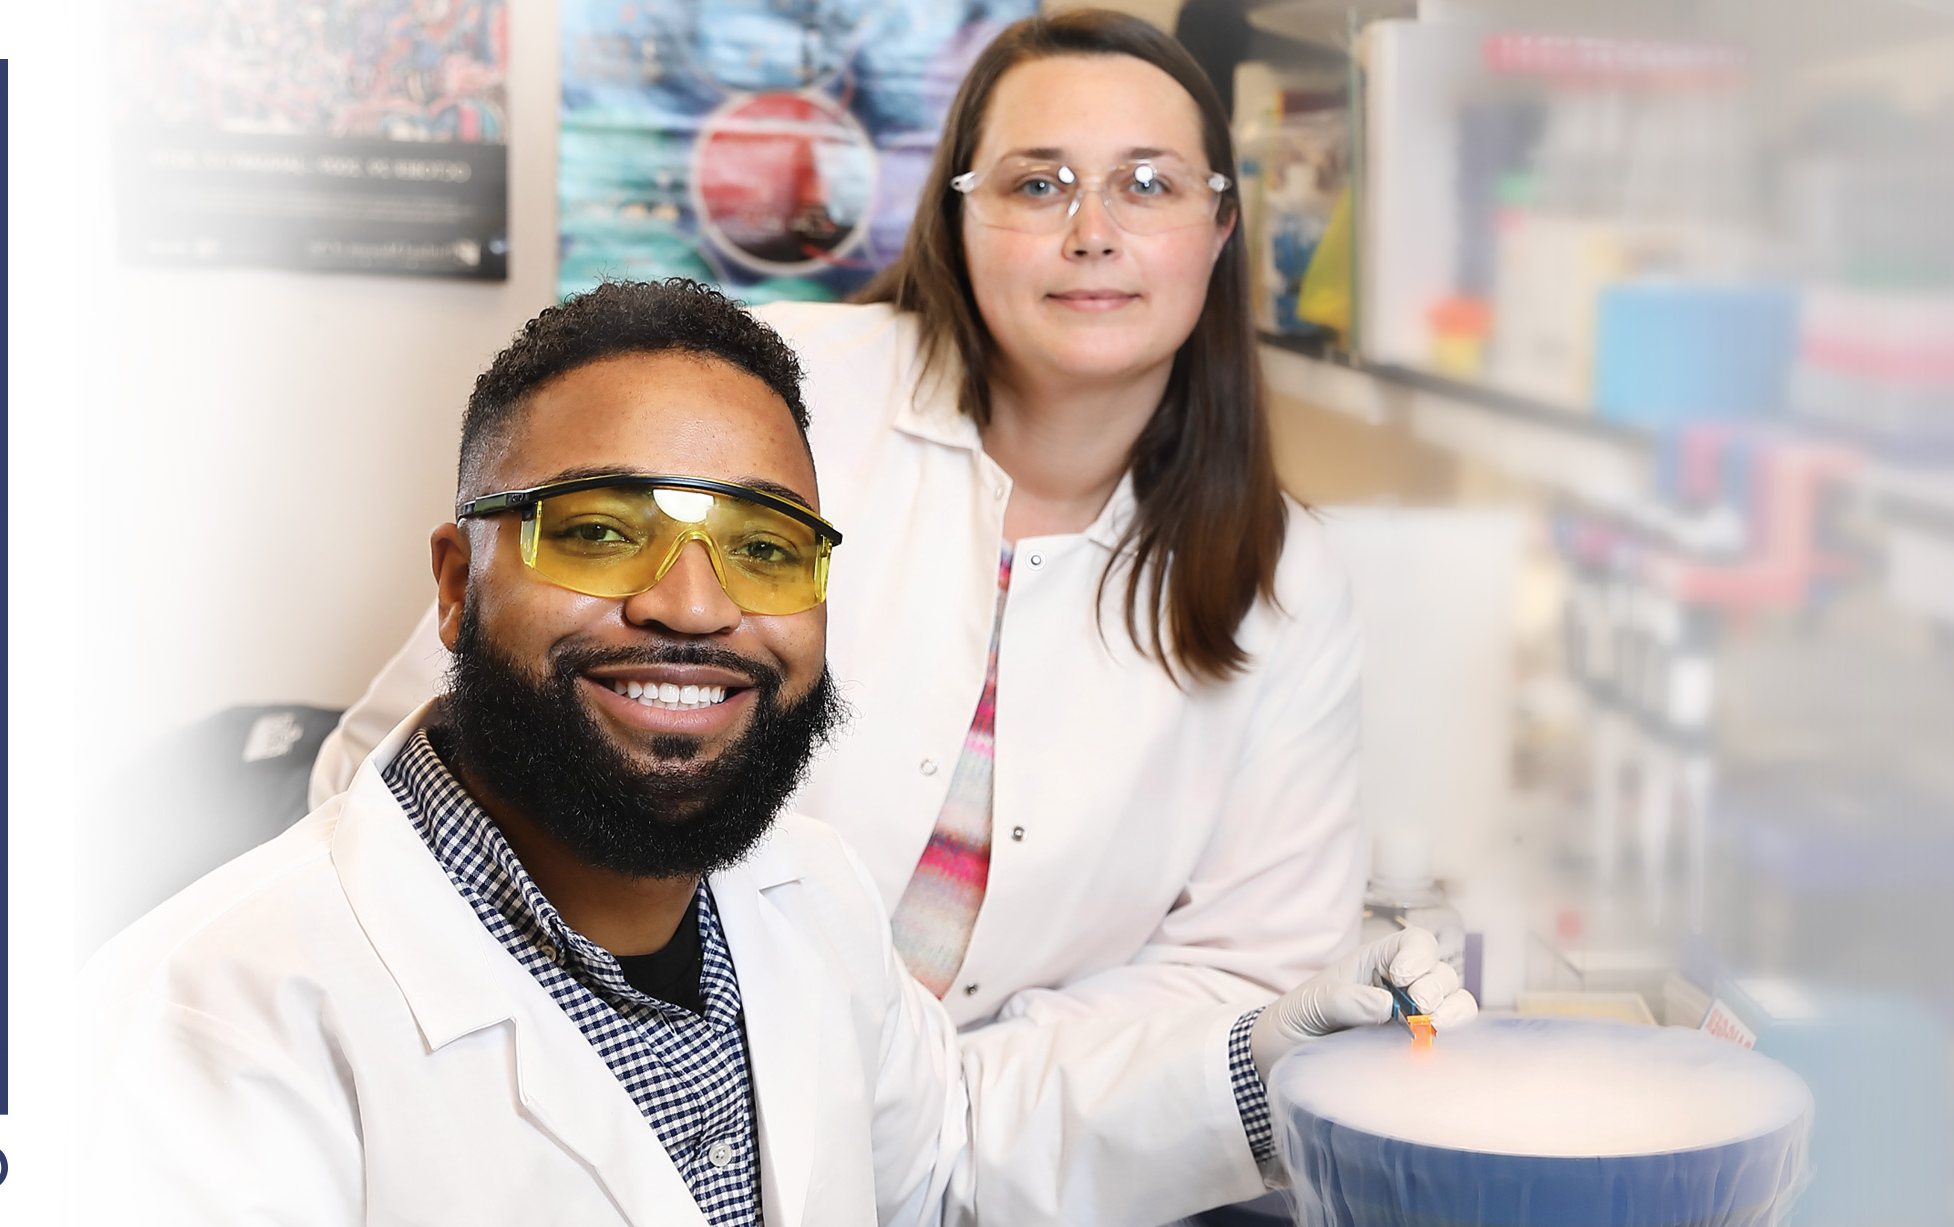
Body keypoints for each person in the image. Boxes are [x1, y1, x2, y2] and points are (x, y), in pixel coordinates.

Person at [90, 279, 1468, 1227]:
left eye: (761, 548)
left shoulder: (798, 892)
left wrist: (1263, 1066)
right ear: (457, 582)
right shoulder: (203, 1028)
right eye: (597, 530)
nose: (691, 604)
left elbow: (940, 1171)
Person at [308, 10, 1369, 1102]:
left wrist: (938, 1116)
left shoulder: (1286, 583)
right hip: (600, 1095)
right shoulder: (765, 407)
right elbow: (406, 769)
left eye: (1148, 185)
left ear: (1222, 225)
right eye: (1036, 184)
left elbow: (1241, 977)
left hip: (1016, 1162)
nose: (1092, 231)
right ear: (957, 218)